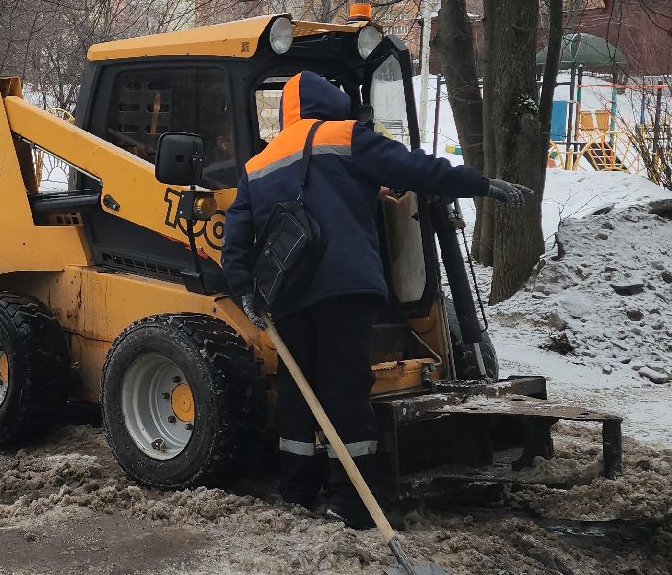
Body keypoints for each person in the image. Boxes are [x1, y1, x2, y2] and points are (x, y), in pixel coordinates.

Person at [220, 71, 528, 528]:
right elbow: (416, 169)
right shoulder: (347, 137)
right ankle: (351, 498)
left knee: (297, 390)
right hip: (345, 286)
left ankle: (297, 488)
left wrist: (245, 289)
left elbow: (236, 239)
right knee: (344, 387)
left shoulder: (259, 163)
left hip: (287, 292)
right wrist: (479, 183)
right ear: (332, 103)